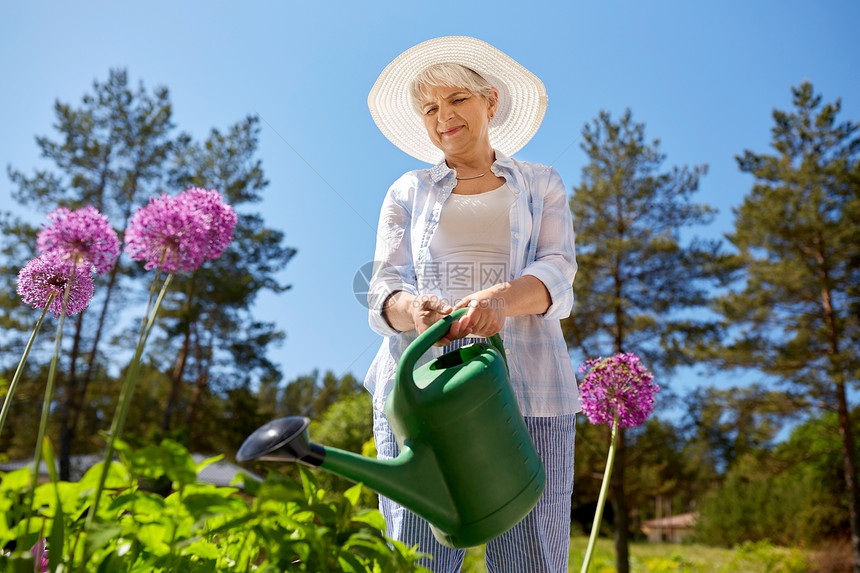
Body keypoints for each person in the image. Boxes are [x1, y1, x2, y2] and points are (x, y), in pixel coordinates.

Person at [364, 36, 580, 573]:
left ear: (491, 102)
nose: (443, 117)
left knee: (531, 553)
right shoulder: (406, 190)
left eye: (457, 99)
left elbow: (558, 270)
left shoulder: (541, 183)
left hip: (531, 385)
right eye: (430, 108)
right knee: (418, 554)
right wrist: (414, 313)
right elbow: (382, 285)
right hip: (423, 385)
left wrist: (500, 301)